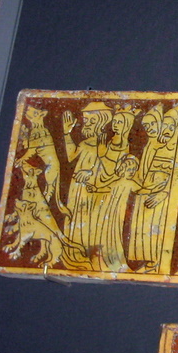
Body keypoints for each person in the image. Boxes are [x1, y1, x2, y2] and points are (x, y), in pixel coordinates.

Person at [128, 104, 178, 270]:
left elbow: (177, 175)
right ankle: (149, 263)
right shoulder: (151, 145)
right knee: (141, 231)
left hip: (160, 195)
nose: (150, 128)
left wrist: (164, 193)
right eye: (146, 126)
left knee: (156, 230)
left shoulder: (175, 148)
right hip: (144, 192)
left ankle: (156, 263)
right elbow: (142, 172)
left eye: (153, 124)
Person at [62, 102, 112, 254]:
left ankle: (89, 250)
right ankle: (74, 249)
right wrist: (66, 133)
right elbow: (71, 156)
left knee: (89, 217)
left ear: (102, 122)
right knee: (74, 214)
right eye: (86, 120)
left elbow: (110, 168)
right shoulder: (85, 142)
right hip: (77, 186)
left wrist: (90, 173)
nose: (88, 123)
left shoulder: (105, 144)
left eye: (92, 120)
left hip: (93, 187)